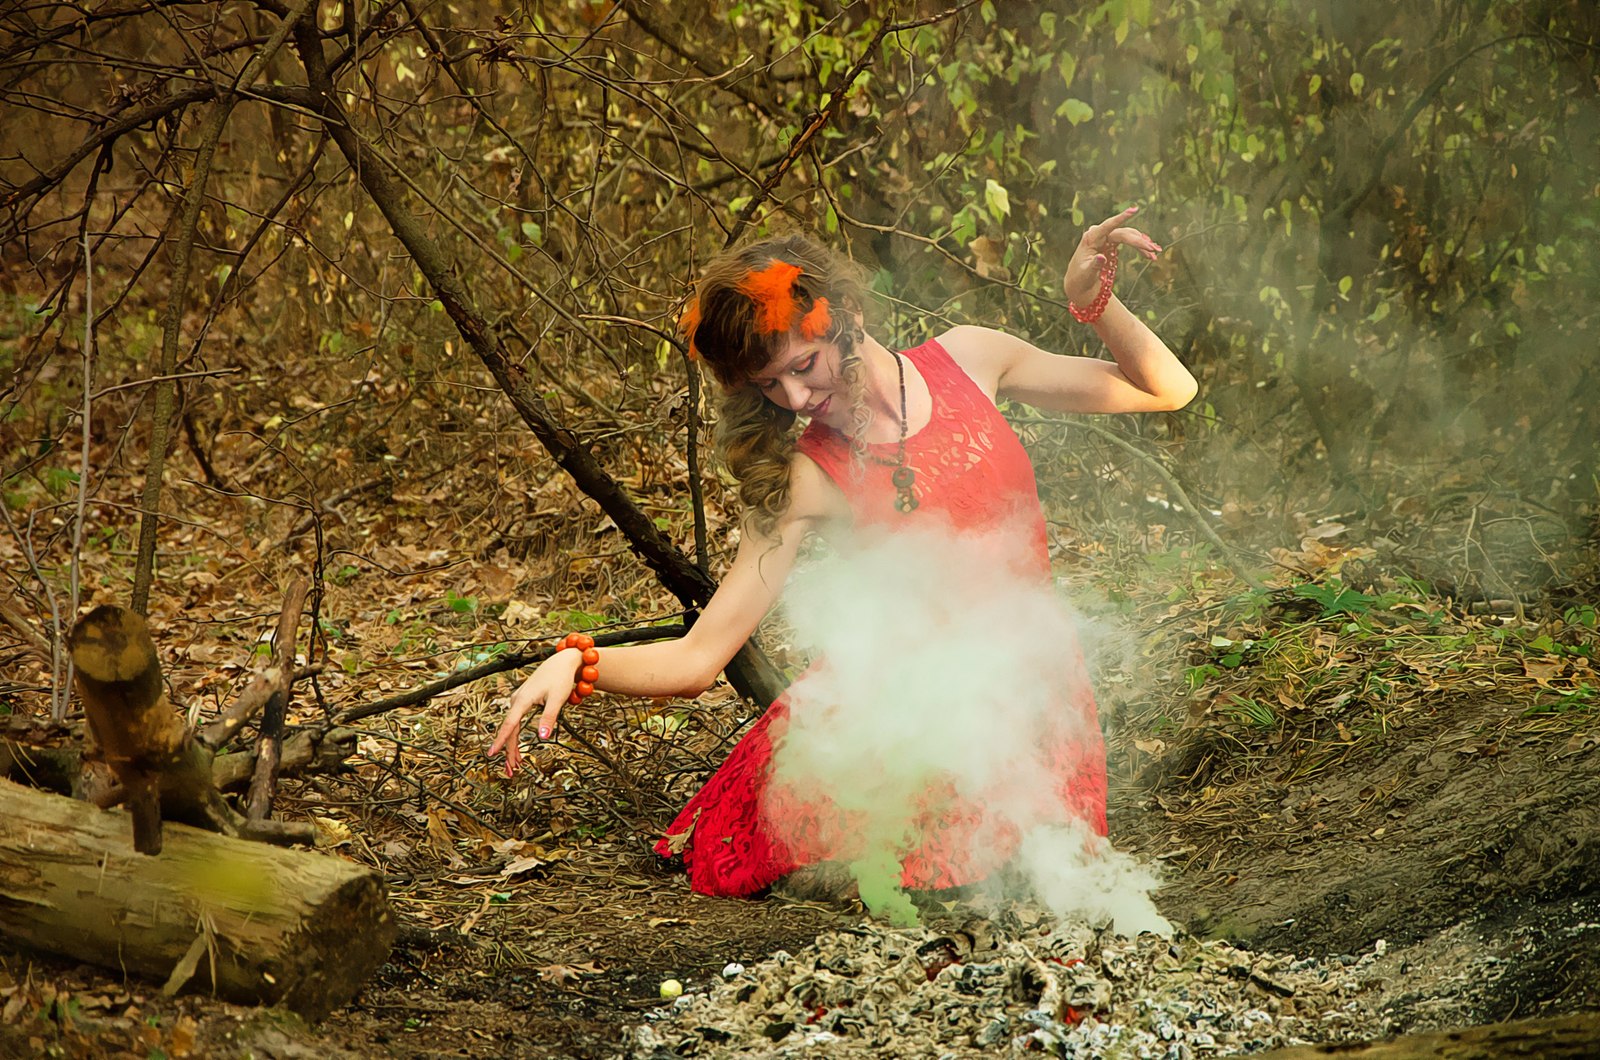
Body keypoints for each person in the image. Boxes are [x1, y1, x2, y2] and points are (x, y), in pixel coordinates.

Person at [490, 207, 1197, 900]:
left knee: (1043, 872)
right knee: (957, 882)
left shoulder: (972, 358)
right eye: (770, 385)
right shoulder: (807, 477)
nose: (796, 396)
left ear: (845, 318)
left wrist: (1093, 303)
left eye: (804, 364)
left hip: (1033, 691)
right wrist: (577, 661)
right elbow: (698, 657)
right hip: (905, 721)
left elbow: (1168, 389)